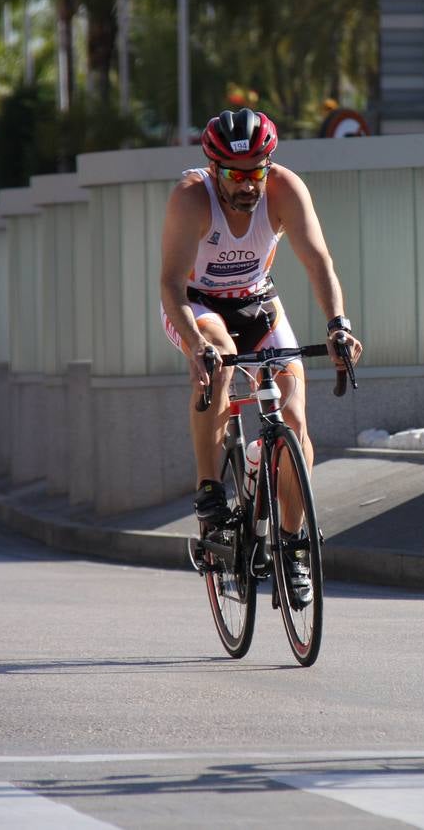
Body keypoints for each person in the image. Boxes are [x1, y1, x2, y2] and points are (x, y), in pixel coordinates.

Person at [159, 107, 363, 604]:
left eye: (256, 171)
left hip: (257, 302)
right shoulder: (191, 199)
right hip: (197, 305)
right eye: (235, 174)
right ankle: (210, 492)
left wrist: (338, 325)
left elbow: (319, 262)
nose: (248, 185)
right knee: (220, 360)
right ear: (214, 170)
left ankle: (292, 546)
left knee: (293, 415)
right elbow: (170, 284)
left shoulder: (286, 190)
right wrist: (197, 345)